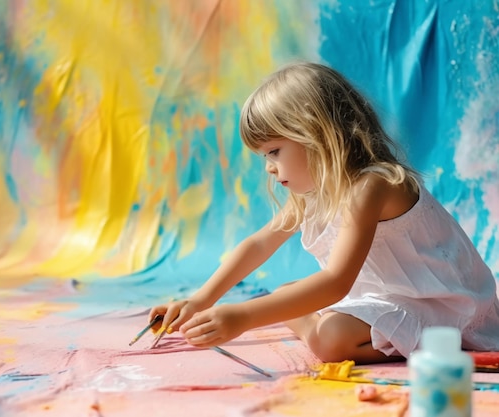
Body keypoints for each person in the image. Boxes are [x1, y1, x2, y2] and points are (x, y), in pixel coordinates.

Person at [148, 61, 499, 364]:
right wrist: (200, 300)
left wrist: (242, 317)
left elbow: (335, 282)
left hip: (443, 306)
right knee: (288, 293)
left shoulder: (372, 186)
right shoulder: (315, 192)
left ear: (316, 134)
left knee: (329, 339)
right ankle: (312, 320)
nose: (270, 167)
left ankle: (318, 327)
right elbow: (258, 244)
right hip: (384, 296)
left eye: (274, 151)